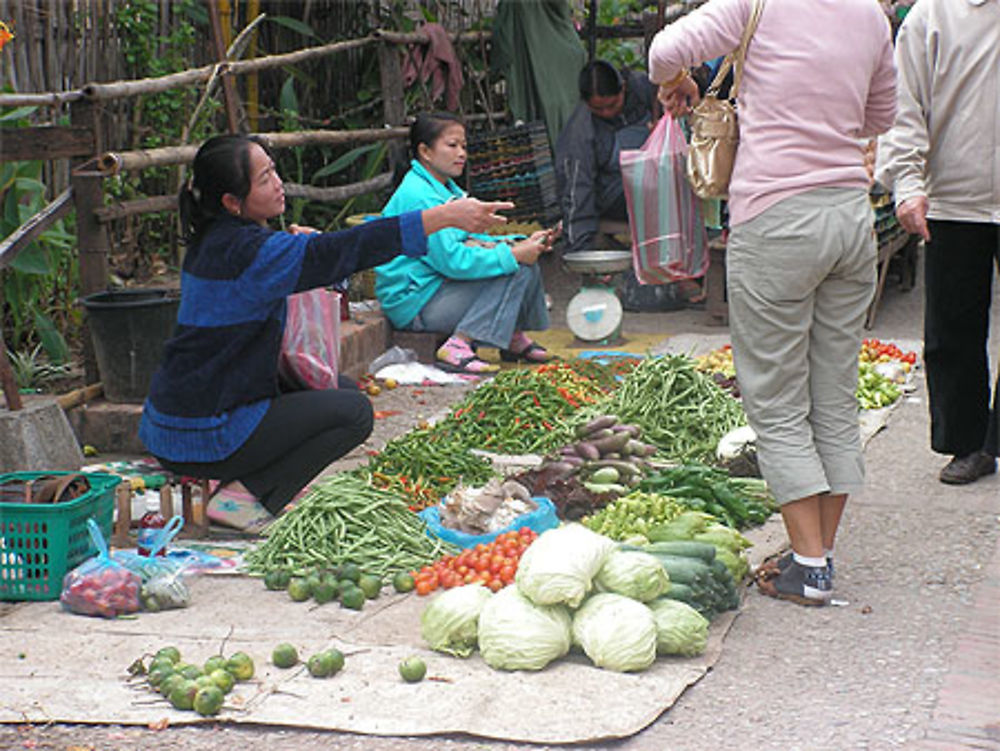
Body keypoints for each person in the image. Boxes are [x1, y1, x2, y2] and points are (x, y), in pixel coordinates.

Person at [650, 0, 897, 605]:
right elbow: (881, 114)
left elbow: (662, 53)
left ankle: (810, 570)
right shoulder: (870, 14)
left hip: (776, 220)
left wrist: (680, 82)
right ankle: (816, 553)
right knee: (833, 395)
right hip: (847, 218)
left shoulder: (751, 3)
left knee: (778, 399)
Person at [139, 134, 513, 531]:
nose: (278, 182)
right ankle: (241, 499)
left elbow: (316, 259)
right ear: (232, 202)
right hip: (203, 433)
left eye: (273, 170)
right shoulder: (253, 251)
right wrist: (444, 217)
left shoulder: (213, 242)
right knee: (353, 413)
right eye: (265, 178)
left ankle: (238, 482)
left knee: (342, 390)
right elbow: (345, 250)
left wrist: (302, 252)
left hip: (174, 422)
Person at [876, 1, 1000, 486]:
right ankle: (967, 443)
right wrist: (906, 183)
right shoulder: (930, 16)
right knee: (952, 329)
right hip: (954, 198)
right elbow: (904, 106)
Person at [376, 112, 556, 374]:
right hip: (416, 303)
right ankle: (460, 344)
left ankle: (512, 336)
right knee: (516, 266)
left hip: (437, 287)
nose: (462, 153)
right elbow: (452, 261)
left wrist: (519, 242)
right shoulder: (418, 196)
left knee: (525, 258)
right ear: (425, 151)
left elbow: (472, 238)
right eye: (452, 145)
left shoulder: (446, 190)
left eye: (464, 146)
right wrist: (514, 254)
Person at [554, 59, 656, 256]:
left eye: (612, 105)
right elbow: (577, 191)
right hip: (617, 197)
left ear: (623, 89)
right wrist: (579, 252)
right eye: (598, 109)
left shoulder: (646, 91)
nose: (607, 113)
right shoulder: (580, 132)